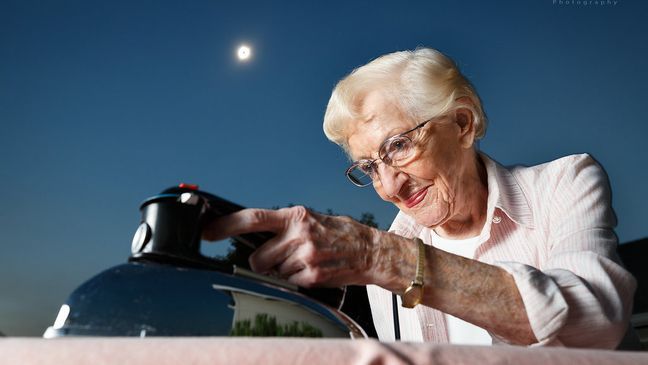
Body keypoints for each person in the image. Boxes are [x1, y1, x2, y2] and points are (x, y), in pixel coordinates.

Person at [203, 48, 636, 348]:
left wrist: (383, 258)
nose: (389, 187)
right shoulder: (392, 247)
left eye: (397, 146)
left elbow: (597, 321)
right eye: (370, 166)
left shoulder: (564, 183)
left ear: (463, 124)